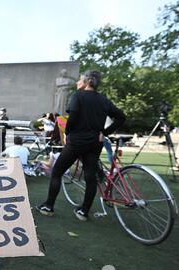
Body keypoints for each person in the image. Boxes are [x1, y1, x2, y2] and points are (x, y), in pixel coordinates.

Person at [36, 71, 126, 222]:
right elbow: (121, 117)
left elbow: (72, 118)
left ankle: (48, 206)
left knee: (57, 171)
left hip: (77, 141)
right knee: (91, 177)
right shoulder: (103, 99)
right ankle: (84, 211)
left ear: (87, 82)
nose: (77, 82)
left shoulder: (78, 96)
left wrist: (67, 133)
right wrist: (105, 132)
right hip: (94, 142)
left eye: (80, 80)